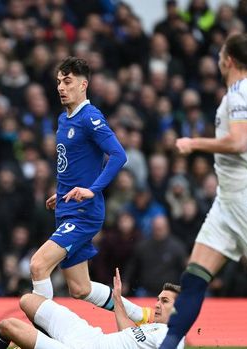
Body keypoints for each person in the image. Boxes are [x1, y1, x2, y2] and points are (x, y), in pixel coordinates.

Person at [159, 31, 247, 348]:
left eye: (220, 55)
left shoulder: (240, 95)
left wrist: (194, 142)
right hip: (227, 203)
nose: (218, 60)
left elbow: (238, 142)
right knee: (193, 278)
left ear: (228, 60)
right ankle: (168, 346)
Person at [29, 56, 150, 323]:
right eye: (59, 82)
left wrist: (93, 190)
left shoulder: (90, 117)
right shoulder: (64, 119)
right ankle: (143, 315)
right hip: (67, 207)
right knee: (80, 289)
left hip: (84, 212)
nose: (61, 87)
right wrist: (60, 195)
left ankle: (42, 336)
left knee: (38, 266)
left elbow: (118, 155)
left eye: (68, 81)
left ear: (83, 84)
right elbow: (72, 165)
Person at [0, 268, 184, 349]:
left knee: (8, 326)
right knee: (28, 301)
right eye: (159, 299)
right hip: (92, 338)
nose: (157, 304)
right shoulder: (154, 330)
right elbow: (129, 336)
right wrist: (117, 299)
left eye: (164, 301)